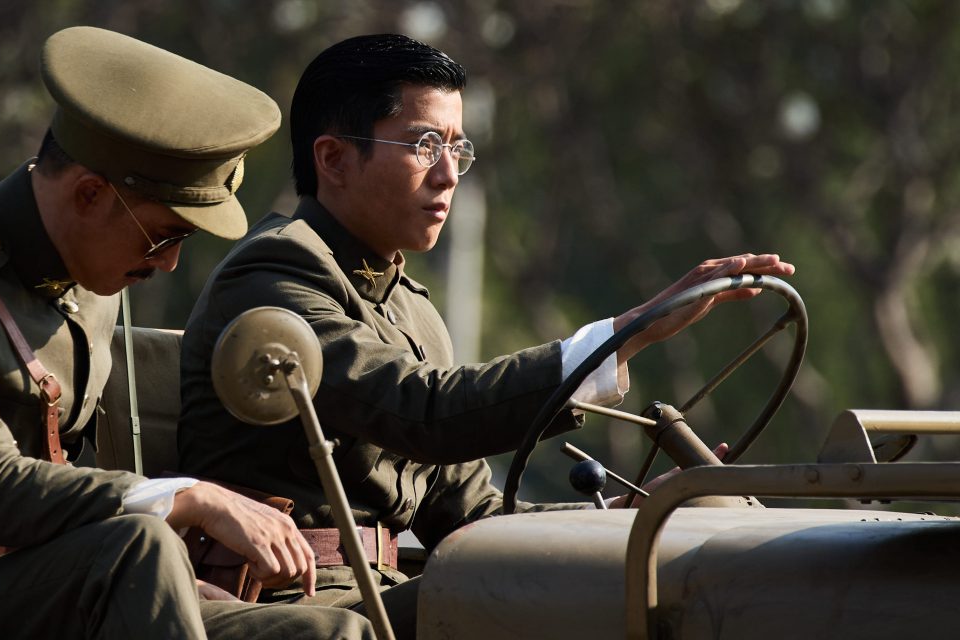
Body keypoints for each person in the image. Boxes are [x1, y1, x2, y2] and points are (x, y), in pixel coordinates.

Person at [177, 33, 795, 636]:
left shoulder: (410, 309)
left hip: (385, 593)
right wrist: (625, 334)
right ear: (334, 158)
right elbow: (422, 411)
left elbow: (472, 515)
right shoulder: (275, 272)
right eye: (423, 144)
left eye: (457, 148)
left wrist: (629, 514)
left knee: (647, 584)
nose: (448, 175)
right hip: (294, 602)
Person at [0, 26, 373, 639]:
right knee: (136, 546)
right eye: (164, 235)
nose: (170, 263)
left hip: (38, 579)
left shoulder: (88, 276)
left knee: (328, 632)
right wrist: (189, 497)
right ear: (91, 194)